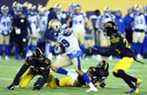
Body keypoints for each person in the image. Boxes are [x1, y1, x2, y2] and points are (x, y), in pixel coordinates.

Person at [85, 21, 142, 94]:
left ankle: (135, 84)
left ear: (110, 30)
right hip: (127, 56)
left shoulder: (114, 37)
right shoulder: (116, 35)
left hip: (128, 57)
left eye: (106, 29)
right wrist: (98, 50)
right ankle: (135, 83)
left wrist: (95, 51)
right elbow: (112, 50)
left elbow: (109, 53)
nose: (105, 31)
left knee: (118, 71)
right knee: (116, 72)